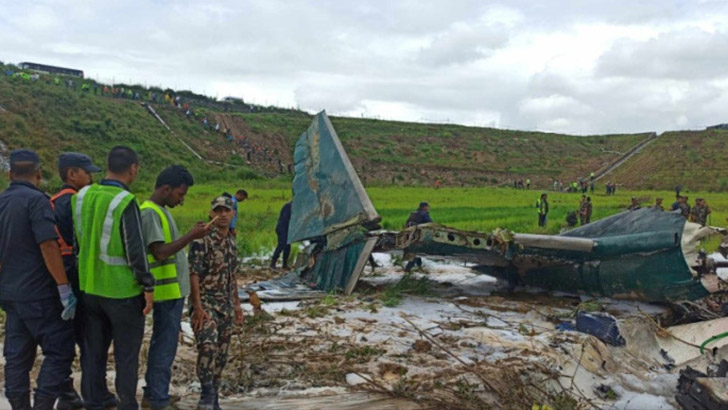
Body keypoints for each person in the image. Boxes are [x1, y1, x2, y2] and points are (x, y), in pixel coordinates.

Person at [73, 146, 155, 410]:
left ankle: (94, 401)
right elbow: (135, 250)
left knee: (93, 353)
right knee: (126, 356)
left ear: (106, 165)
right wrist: (148, 284)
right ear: (133, 168)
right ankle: (127, 404)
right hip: (122, 292)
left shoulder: (84, 196)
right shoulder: (124, 201)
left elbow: (79, 241)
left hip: (90, 288)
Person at [0, 150, 77, 410]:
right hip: (39, 295)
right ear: (39, 174)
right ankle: (43, 404)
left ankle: (19, 405)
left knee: (17, 358)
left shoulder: (2, 201)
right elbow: (48, 245)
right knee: (60, 351)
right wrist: (64, 288)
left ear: (10, 174)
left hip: (11, 295)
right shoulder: (37, 201)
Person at [52, 153, 118, 410]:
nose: (90, 177)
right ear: (71, 174)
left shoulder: (55, 202)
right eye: (86, 172)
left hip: (62, 281)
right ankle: (95, 394)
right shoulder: (75, 202)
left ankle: (69, 394)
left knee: (68, 341)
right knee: (91, 341)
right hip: (79, 280)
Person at [140, 166, 209, 410]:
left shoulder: (160, 211)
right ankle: (157, 399)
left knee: (165, 344)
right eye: (180, 194)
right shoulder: (149, 213)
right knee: (164, 346)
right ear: (166, 189)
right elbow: (159, 252)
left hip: (172, 293)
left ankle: (154, 393)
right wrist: (191, 236)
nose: (181, 200)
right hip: (164, 293)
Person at [188, 196, 244, 410]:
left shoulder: (231, 240)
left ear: (233, 214)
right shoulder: (201, 241)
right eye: (218, 210)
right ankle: (206, 392)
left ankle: (215, 395)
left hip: (226, 304)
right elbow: (193, 274)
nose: (222, 214)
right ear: (211, 213)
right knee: (208, 346)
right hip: (206, 304)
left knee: (222, 353)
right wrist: (197, 307)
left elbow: (232, 274)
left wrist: (237, 304)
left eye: (226, 210)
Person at [404, 202, 432, 271]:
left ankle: (419, 267)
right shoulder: (424, 214)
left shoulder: (414, 213)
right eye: (427, 207)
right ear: (424, 207)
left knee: (415, 251)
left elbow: (406, 223)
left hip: (410, 235)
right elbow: (430, 223)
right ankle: (408, 269)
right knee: (416, 253)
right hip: (418, 235)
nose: (428, 208)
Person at [270, 201, 292, 269]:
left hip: (287, 229)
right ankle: (273, 263)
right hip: (282, 228)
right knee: (281, 245)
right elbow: (286, 219)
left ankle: (284, 264)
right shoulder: (289, 206)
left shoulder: (292, 206)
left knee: (287, 247)